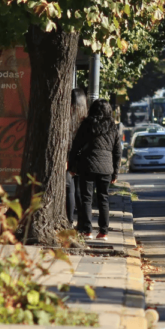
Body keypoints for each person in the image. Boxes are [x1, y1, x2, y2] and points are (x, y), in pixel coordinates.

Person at [69, 99, 122, 241]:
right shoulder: (113, 127)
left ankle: (87, 231)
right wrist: (115, 172)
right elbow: (117, 152)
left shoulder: (86, 125)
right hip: (106, 168)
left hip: (87, 165)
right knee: (103, 198)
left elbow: (76, 146)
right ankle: (103, 232)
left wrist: (72, 166)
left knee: (87, 198)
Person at [66, 89, 88, 228]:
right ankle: (82, 223)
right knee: (81, 191)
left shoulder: (66, 120)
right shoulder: (86, 120)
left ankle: (68, 221)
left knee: (70, 190)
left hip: (67, 158)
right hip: (83, 160)